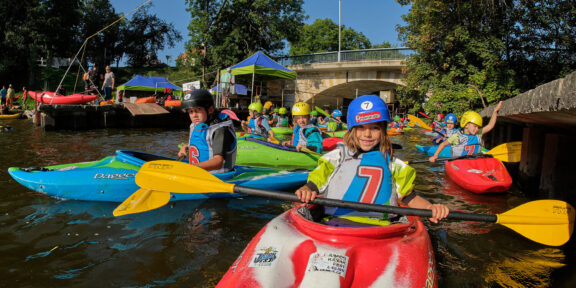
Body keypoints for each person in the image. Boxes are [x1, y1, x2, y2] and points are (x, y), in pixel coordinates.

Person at [295, 95, 449, 226]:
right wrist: (307, 190)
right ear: (352, 129)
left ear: (383, 130)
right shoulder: (338, 156)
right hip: (334, 224)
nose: (367, 134)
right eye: (361, 128)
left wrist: (430, 207)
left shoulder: (394, 164)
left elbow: (409, 197)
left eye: (374, 128)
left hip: (379, 229)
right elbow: (316, 180)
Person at [177, 89, 237, 172]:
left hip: (218, 177)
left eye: (198, 110)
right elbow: (203, 143)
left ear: (210, 110)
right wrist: (185, 147)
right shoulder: (196, 125)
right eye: (191, 111)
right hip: (199, 173)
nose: (194, 115)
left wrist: (190, 169)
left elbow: (218, 161)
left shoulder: (219, 130)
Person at [429, 102, 503, 162]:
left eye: (478, 127)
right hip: (459, 163)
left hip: (475, 162)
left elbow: (490, 126)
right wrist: (435, 156)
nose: (477, 129)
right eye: (475, 126)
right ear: (466, 125)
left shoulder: (478, 133)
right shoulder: (457, 136)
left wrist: (495, 112)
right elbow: (443, 144)